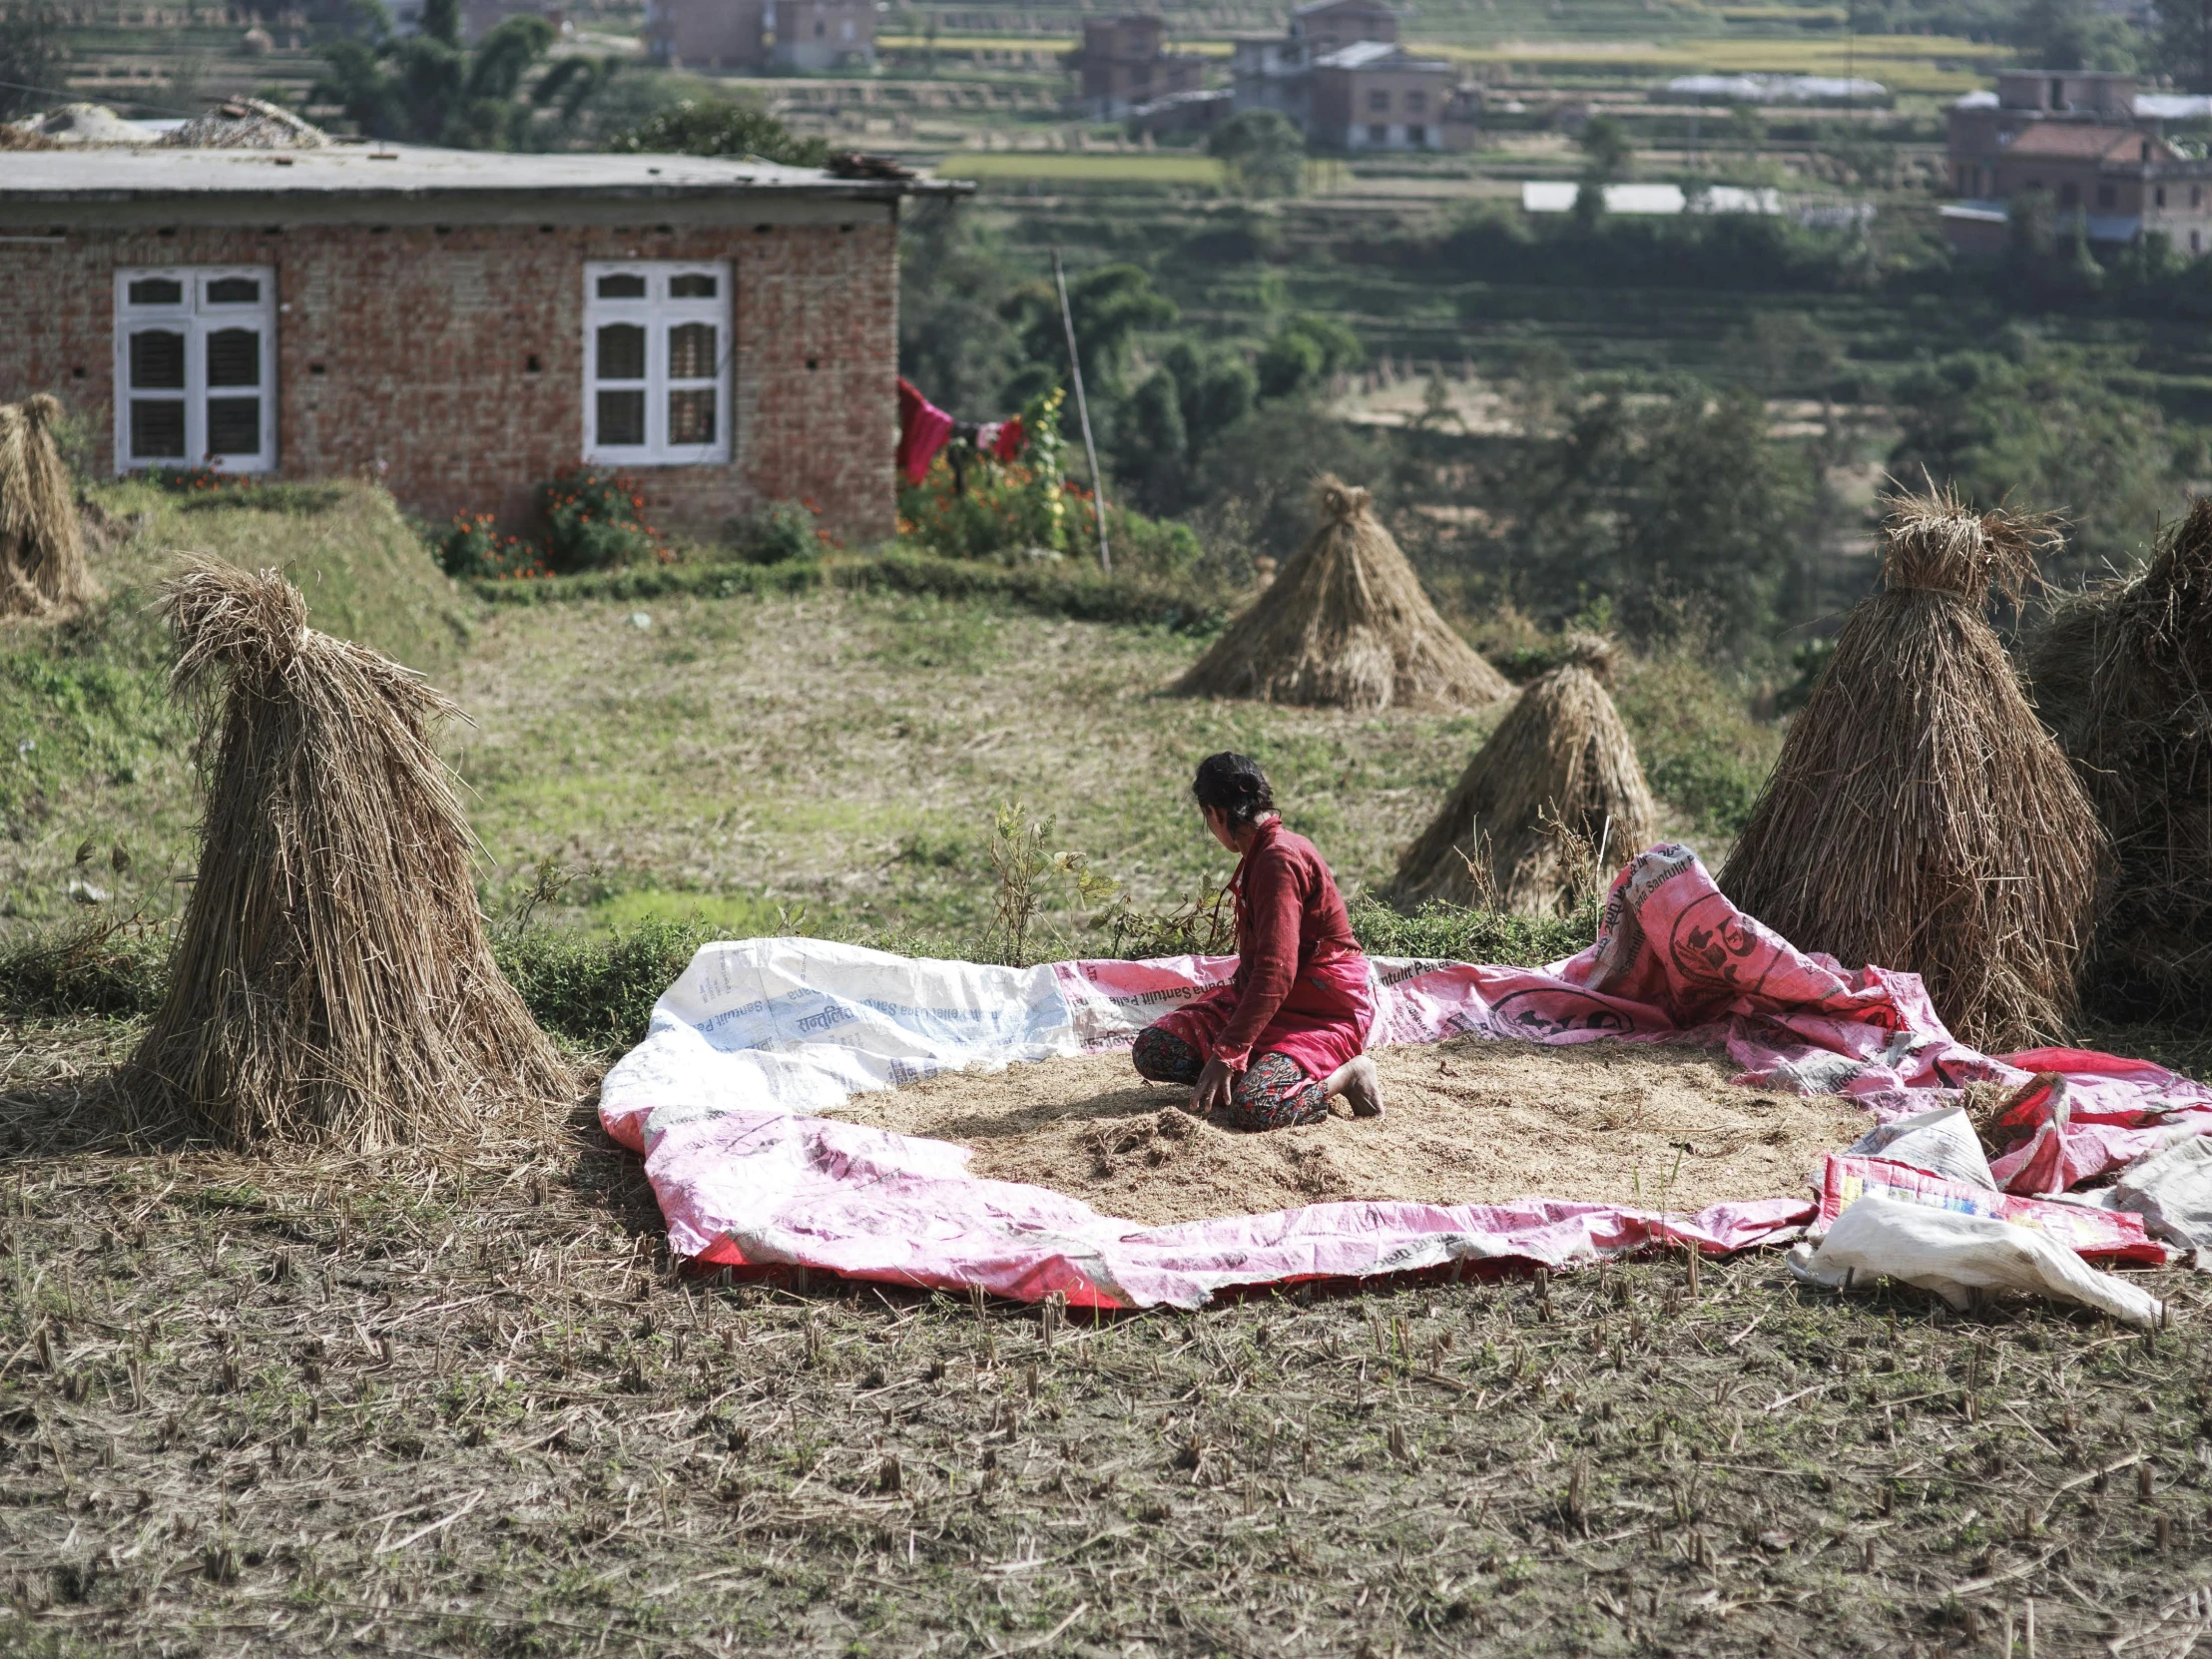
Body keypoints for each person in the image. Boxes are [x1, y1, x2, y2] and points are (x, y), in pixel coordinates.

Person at [1131, 752, 1383, 1130]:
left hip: (1317, 1014)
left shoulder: (1278, 859)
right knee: (1154, 1050)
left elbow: (1275, 973)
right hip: (1265, 1005)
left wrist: (1228, 1053)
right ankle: (1261, 1067)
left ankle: (1347, 1074)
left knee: (1256, 1107)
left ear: (1215, 813)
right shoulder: (1263, 852)